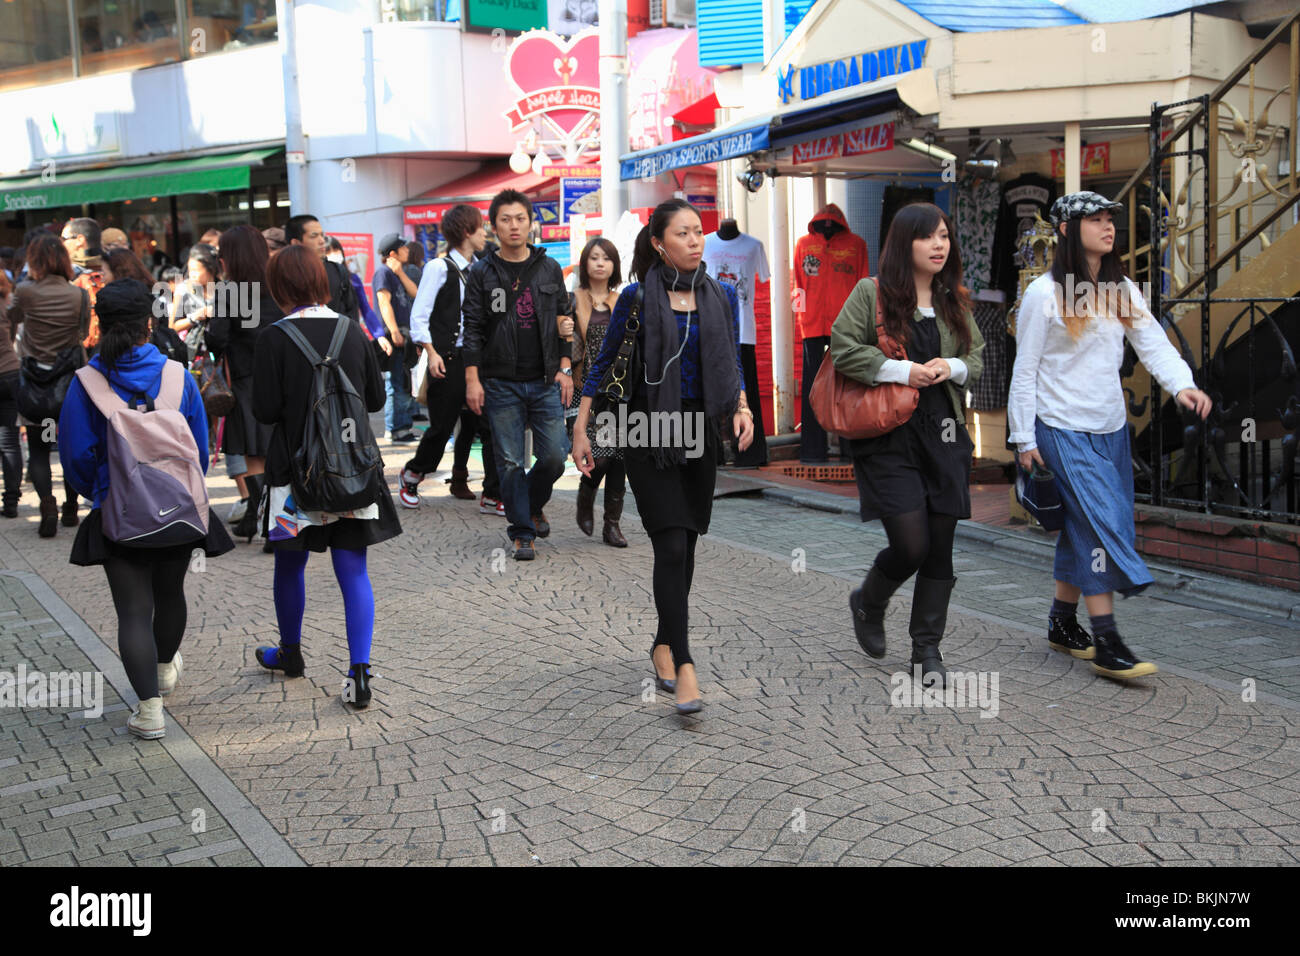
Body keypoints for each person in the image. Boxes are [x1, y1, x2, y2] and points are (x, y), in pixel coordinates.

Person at [1008, 191, 1212, 680]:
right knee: (1102, 525)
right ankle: (1108, 642)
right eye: (1094, 220)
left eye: (1109, 220)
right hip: (1060, 428)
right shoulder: (1044, 293)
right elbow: (1025, 370)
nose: (1107, 227)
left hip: (1111, 429)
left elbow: (1153, 344)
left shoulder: (1121, 289)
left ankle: (1061, 623)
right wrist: (1023, 438)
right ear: (1065, 230)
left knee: (1084, 526)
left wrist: (1182, 385)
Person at [572, 199, 754, 715]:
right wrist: (583, 428)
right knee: (670, 545)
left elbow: (730, 363)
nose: (696, 240)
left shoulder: (719, 296)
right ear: (658, 243)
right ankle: (686, 662)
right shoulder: (635, 298)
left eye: (700, 232)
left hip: (698, 432)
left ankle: (661, 643)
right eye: (684, 233)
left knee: (687, 545)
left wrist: (741, 407)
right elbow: (605, 363)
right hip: (646, 429)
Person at [57, 279, 234, 739]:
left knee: (133, 611)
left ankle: (149, 710)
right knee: (171, 593)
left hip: (119, 512)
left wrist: (101, 491)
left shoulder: (87, 383)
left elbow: (75, 455)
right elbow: (197, 449)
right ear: (148, 325)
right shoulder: (177, 375)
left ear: (100, 327)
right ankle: (163, 669)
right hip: (177, 509)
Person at [830, 202, 984, 689]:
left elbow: (976, 356)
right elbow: (842, 348)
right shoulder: (870, 293)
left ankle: (926, 649)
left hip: (943, 433)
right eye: (928, 237)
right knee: (911, 543)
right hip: (887, 435)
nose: (940, 245)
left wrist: (951, 367)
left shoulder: (952, 299)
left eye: (944, 236)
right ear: (904, 243)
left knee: (940, 547)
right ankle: (870, 601)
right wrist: (903, 370)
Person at [251, 246, 401, 709]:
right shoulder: (351, 332)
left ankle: (290, 654)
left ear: (278, 288)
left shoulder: (273, 338)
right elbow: (376, 400)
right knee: (353, 569)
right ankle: (359, 673)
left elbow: (265, 411)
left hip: (293, 475)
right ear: (319, 280)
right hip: (351, 472)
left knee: (289, 563)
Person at [463, 189, 575, 560]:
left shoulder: (549, 268)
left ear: (531, 223)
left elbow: (563, 320)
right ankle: (522, 531)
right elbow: (474, 328)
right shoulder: (481, 272)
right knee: (510, 461)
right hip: (499, 381)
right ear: (493, 226)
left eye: (520, 218)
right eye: (506, 220)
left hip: (544, 379)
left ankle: (528, 503)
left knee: (556, 457)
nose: (514, 226)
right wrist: (472, 379)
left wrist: (565, 368)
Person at [399, 204, 502, 511]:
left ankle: (492, 493)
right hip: (447, 358)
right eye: (480, 227)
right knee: (441, 428)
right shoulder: (438, 268)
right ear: (467, 232)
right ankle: (414, 473)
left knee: (490, 425)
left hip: (477, 358)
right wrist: (431, 353)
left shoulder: (483, 267)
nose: (485, 233)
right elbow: (420, 316)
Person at [7, 234, 88, 536]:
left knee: (39, 450)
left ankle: (47, 503)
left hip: (34, 382)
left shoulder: (25, 290)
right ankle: (70, 506)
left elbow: (12, 318)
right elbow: (81, 333)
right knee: (69, 446)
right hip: (68, 382)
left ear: (34, 260)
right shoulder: (79, 295)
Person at [206, 225, 282, 543]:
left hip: (247, 377)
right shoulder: (278, 281)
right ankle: (267, 517)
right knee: (276, 446)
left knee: (253, 452)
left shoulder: (231, 291)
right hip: (282, 374)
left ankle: (265, 520)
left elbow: (217, 338)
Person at [569, 237, 628, 547]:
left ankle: (612, 524)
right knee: (599, 456)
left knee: (619, 457)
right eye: (594, 257)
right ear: (585, 263)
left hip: (618, 392)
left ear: (615, 265)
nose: (601, 263)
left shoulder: (625, 300)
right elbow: (567, 347)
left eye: (607, 258)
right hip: (585, 390)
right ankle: (586, 492)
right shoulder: (573, 298)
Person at [372, 234, 419, 443]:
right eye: (404, 248)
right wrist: (393, 330)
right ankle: (396, 429)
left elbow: (415, 293)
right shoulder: (382, 273)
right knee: (396, 383)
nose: (407, 251)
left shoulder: (398, 273)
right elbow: (384, 302)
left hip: (405, 336)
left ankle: (403, 426)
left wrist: (400, 272)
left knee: (404, 382)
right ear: (393, 253)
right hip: (395, 336)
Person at [285, 215, 359, 321]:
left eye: (322, 235)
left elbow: (351, 309)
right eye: (314, 236)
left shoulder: (337, 270)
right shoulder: (284, 275)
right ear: (296, 243)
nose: (322, 241)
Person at [62, 218, 107, 350]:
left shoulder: (69, 273)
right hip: (115, 344)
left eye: (64, 239)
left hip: (83, 346)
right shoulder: (112, 267)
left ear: (80, 240)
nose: (62, 244)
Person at [0, 272, 23, 517]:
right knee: (9, 442)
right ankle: (11, 501)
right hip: (9, 372)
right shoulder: (7, 303)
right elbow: (12, 334)